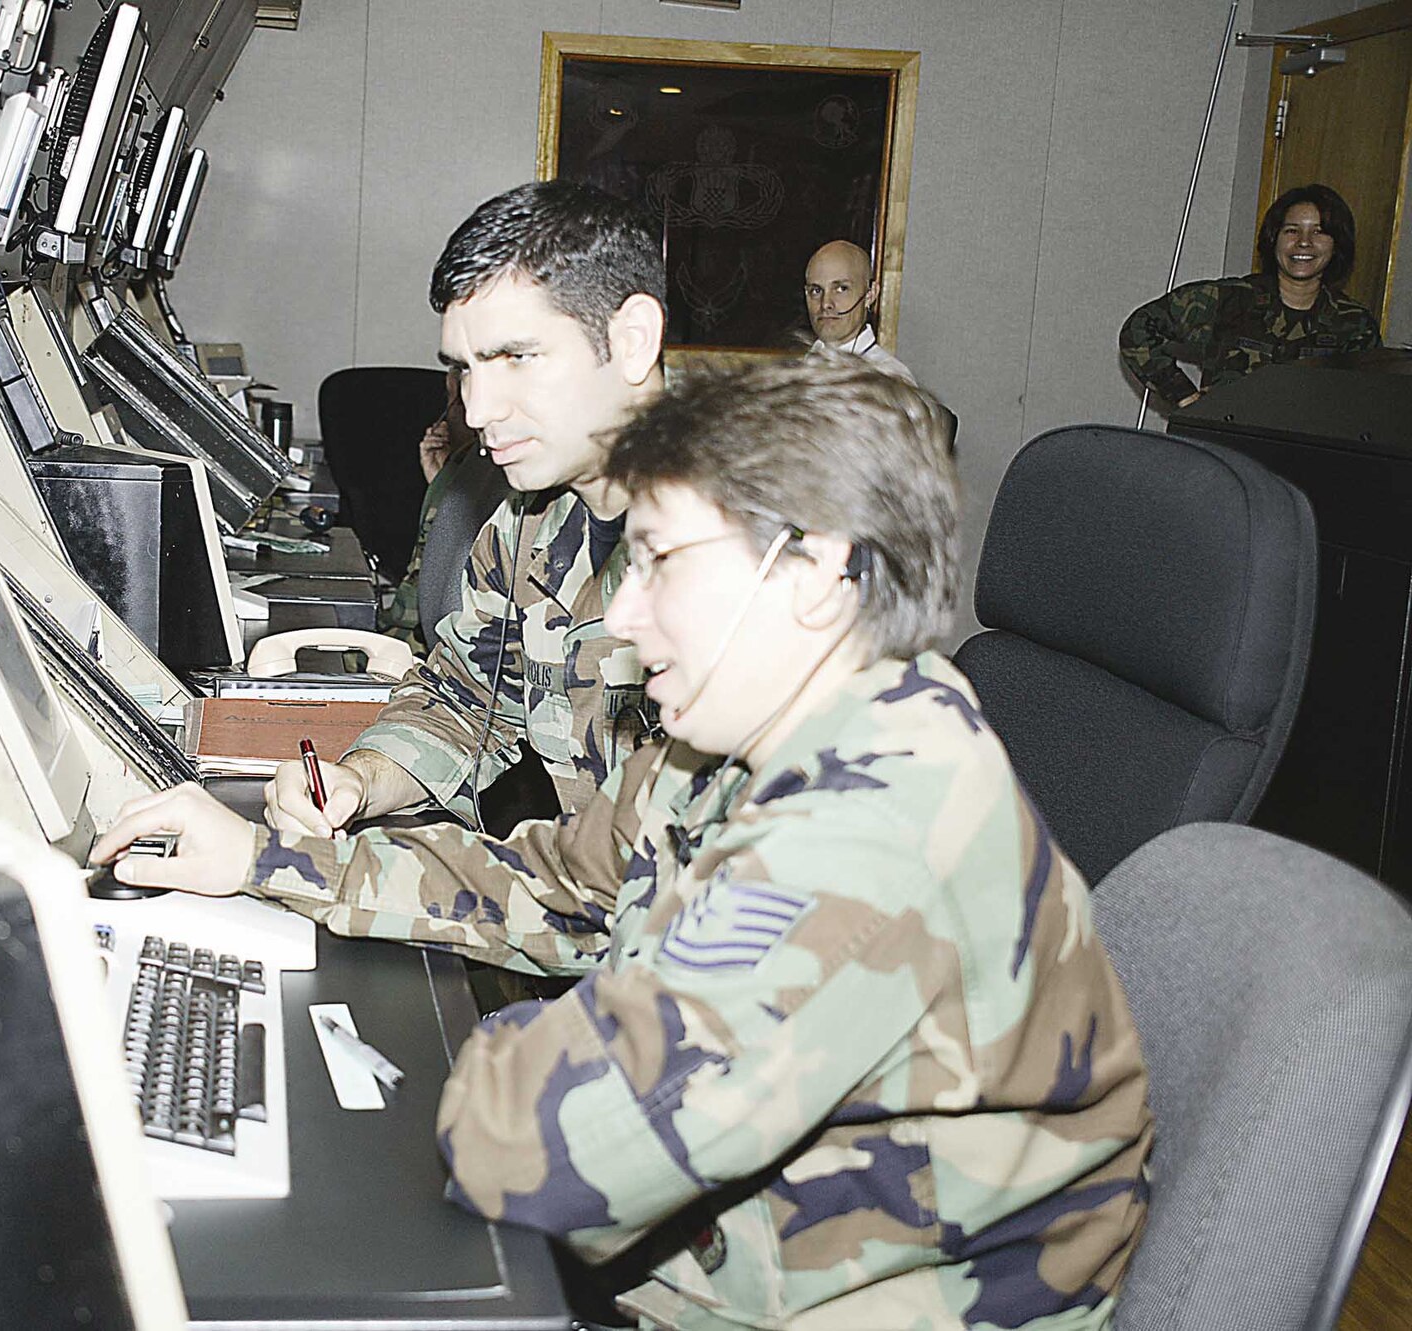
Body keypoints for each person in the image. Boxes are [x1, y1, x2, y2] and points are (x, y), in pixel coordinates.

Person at [93, 357, 1153, 1327]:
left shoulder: (865, 834)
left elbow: (528, 1145)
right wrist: (265, 860)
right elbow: (559, 882)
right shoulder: (749, 739)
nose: (627, 619)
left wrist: (514, 1039)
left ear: (813, 570)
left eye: (663, 565)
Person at [266, 180, 667, 836]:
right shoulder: (528, 522)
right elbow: (464, 699)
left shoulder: (756, 551)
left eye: (516, 358)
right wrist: (359, 781)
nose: (477, 411)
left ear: (632, 341)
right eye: (465, 370)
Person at [1120, 182, 1381, 409]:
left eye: (1319, 231)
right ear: (1274, 238)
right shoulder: (1230, 299)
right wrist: (1184, 395)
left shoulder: (1354, 324)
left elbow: (1367, 402)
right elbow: (1138, 329)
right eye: (1291, 230)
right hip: (1222, 444)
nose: (1304, 242)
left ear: (1337, 245)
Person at [377, 370, 487, 647]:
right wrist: (441, 483)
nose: (445, 417)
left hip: (425, 652)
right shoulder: (468, 473)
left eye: (452, 402)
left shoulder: (487, 477)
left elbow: (416, 620)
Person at [802, 239, 915, 383]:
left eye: (841, 289)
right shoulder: (800, 367)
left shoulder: (888, 378)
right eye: (816, 291)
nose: (825, 304)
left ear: (870, 295)